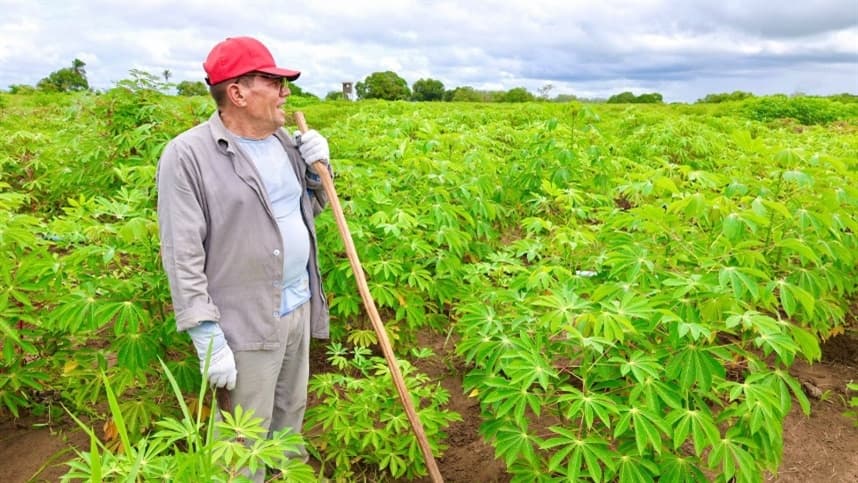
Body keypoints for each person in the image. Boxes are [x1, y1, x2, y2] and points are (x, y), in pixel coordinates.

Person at [155, 36, 331, 479]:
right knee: (242, 443)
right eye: (274, 82)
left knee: (289, 421)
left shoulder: (286, 143)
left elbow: (307, 211)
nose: (285, 92)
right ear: (237, 92)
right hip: (243, 323)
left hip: (297, 306)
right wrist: (206, 335)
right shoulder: (188, 155)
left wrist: (317, 172)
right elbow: (182, 252)